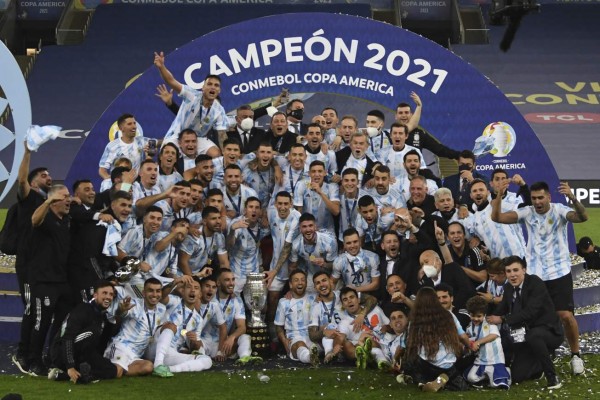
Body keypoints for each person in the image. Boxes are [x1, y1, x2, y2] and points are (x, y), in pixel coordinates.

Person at [491, 180, 588, 374]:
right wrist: (499, 197)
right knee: (536, 318)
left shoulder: (559, 210)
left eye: (540, 197)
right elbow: (498, 218)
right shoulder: (526, 213)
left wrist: (573, 199)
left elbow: (582, 217)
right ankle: (541, 356)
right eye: (534, 198)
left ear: (549, 197)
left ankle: (575, 355)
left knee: (566, 316)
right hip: (535, 275)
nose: (537, 202)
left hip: (559, 272)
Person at [487, 256, 564, 388]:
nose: (512, 275)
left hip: (549, 331)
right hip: (525, 334)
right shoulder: (509, 288)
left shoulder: (535, 283)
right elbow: (502, 308)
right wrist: (485, 319)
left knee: (534, 335)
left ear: (524, 270)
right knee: (517, 376)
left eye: (515, 270)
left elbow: (530, 312)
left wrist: (503, 319)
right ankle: (537, 367)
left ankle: (552, 378)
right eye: (509, 271)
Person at [12, 144, 52, 373]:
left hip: (42, 266)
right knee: (30, 308)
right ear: (33, 181)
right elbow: (20, 180)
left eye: (49, 175)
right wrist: (27, 152)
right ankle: (22, 353)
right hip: (27, 264)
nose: (48, 178)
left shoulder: (48, 201)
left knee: (37, 310)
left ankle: (34, 354)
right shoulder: (29, 197)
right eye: (43, 175)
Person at [26, 185, 73, 376]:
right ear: (53, 201)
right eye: (64, 197)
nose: (68, 200)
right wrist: (46, 202)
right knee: (41, 322)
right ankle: (33, 361)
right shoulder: (45, 217)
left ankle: (51, 357)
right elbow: (34, 221)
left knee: (61, 322)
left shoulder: (67, 220)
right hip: (43, 280)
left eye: (69, 196)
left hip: (61, 281)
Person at [48, 281, 123, 383]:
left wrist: (118, 315)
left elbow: (105, 339)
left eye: (111, 294)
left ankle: (67, 375)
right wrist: (70, 366)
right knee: (93, 332)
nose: (108, 297)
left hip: (84, 355)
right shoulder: (82, 310)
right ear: (95, 295)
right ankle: (67, 369)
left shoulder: (102, 316)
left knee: (114, 371)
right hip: (61, 353)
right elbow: (67, 338)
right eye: (104, 293)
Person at [154, 52, 225, 157]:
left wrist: (226, 155)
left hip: (197, 139)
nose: (213, 87)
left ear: (219, 90)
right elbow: (171, 81)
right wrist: (161, 67)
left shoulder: (219, 110)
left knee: (216, 153)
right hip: (176, 136)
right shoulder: (191, 95)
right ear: (203, 87)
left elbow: (222, 135)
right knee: (167, 154)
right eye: (209, 84)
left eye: (216, 85)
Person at [404, 287, 467, 392]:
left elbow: (410, 344)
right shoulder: (449, 315)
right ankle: (442, 382)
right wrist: (470, 346)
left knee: (411, 363)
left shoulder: (414, 320)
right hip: (447, 366)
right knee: (461, 385)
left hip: (425, 365)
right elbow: (463, 337)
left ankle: (424, 381)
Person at [148, 276, 211, 377]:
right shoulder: (174, 301)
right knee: (170, 326)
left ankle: (169, 369)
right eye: (189, 287)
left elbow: (196, 348)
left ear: (200, 294)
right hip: (154, 346)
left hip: (171, 352)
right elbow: (161, 297)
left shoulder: (198, 319)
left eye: (196, 288)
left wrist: (195, 342)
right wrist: (175, 282)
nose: (192, 290)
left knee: (207, 360)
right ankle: (158, 364)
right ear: (183, 291)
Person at [104, 278, 166, 377]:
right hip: (121, 347)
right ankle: (93, 371)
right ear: (143, 293)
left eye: (158, 291)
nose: (154, 294)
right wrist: (122, 310)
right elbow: (122, 313)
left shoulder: (162, 309)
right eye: (150, 290)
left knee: (148, 366)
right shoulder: (134, 304)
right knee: (118, 372)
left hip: (135, 356)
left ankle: (113, 368)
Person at [395, 96, 459, 176]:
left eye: (406, 112)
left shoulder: (420, 134)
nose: (404, 115)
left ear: (412, 115)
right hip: (395, 177)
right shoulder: (389, 134)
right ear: (396, 116)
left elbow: (439, 149)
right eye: (400, 113)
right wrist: (419, 107)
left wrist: (459, 155)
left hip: (415, 177)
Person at [468, 179, 525, 259]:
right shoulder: (473, 221)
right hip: (498, 265)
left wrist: (523, 185)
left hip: (518, 258)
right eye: (474, 191)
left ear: (488, 192)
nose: (478, 193)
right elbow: (486, 242)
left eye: (481, 190)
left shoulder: (499, 205)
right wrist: (485, 251)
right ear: (471, 195)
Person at [463, 296, 510, 389]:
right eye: (472, 315)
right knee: (471, 378)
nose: (475, 319)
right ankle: (487, 377)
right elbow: (469, 339)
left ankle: (506, 371)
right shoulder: (469, 327)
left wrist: (478, 342)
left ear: (484, 314)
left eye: (479, 316)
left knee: (496, 384)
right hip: (480, 360)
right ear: (469, 314)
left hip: (494, 360)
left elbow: (494, 335)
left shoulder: (489, 322)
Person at [337, 287, 390, 370]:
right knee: (366, 344)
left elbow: (390, 326)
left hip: (384, 344)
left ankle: (370, 359)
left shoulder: (376, 310)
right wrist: (335, 347)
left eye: (352, 297)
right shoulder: (345, 322)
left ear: (358, 300)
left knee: (370, 343)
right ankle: (380, 363)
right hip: (365, 347)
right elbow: (340, 337)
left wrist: (386, 327)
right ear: (343, 305)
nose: (349, 301)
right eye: (345, 299)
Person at [215, 269, 260, 364]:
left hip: (227, 340)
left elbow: (242, 327)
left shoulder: (237, 300)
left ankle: (244, 358)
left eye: (233, 279)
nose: (231, 283)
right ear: (218, 283)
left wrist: (231, 337)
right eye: (227, 280)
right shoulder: (210, 298)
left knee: (245, 337)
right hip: (212, 340)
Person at [227, 197, 270, 294]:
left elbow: (267, 232)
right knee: (232, 299)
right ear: (245, 210)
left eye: (257, 207)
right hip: (237, 271)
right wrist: (232, 230)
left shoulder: (261, 225)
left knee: (260, 305)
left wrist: (266, 223)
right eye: (250, 207)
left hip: (254, 270)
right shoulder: (237, 224)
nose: (254, 210)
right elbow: (229, 244)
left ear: (260, 211)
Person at [274, 270, 318, 365]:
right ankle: (310, 358)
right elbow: (278, 326)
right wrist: (284, 341)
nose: (300, 282)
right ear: (290, 284)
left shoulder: (314, 298)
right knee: (300, 345)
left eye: (303, 280)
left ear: (306, 283)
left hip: (313, 336)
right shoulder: (284, 302)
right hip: (294, 338)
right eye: (296, 280)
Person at [288, 213, 338, 294]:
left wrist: (324, 264)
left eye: (310, 226)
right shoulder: (296, 244)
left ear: (315, 227)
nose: (308, 229)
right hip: (310, 275)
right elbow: (293, 267)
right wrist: (291, 289)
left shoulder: (329, 242)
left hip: (329, 275)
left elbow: (335, 267)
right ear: (300, 229)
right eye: (304, 226)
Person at [179, 206, 228, 277]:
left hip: (201, 274)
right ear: (204, 221)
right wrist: (193, 280)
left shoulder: (219, 236)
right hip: (183, 275)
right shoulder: (194, 236)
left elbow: (224, 263)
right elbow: (182, 262)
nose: (218, 221)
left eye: (219, 218)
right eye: (213, 218)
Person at [293, 160, 340, 235]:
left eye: (320, 171)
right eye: (313, 171)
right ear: (309, 173)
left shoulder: (332, 187)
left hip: (327, 232)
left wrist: (320, 192)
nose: (317, 174)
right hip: (307, 230)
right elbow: (298, 213)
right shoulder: (301, 185)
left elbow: (336, 211)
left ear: (325, 173)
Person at [332, 228, 381, 294]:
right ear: (344, 245)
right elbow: (332, 282)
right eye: (349, 243)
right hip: (349, 298)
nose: (352, 246)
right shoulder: (338, 261)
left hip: (369, 296)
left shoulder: (372, 257)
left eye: (355, 242)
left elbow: (376, 284)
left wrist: (356, 289)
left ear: (360, 242)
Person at [98, 113, 146, 180]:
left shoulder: (142, 141)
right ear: (121, 128)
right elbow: (102, 169)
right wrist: (110, 181)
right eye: (129, 124)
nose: (134, 126)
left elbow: (160, 142)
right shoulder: (112, 146)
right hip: (120, 184)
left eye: (134, 123)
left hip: (136, 184)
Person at [447, 222, 487, 287]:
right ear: (447, 237)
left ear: (464, 235)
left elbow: (483, 277)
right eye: (452, 233)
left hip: (475, 291)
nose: (456, 236)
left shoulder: (474, 249)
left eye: (459, 232)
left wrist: (461, 269)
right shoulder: (446, 253)